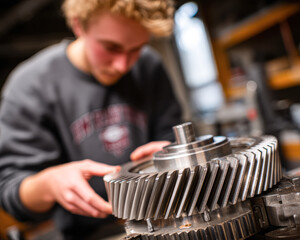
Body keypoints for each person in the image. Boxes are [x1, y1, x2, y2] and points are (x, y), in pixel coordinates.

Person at [0, 0, 182, 239]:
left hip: (163, 223)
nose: (122, 65)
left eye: (136, 48)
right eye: (111, 47)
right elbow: (10, 191)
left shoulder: (150, 66)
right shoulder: (31, 86)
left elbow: (169, 139)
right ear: (78, 25)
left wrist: (170, 155)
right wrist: (49, 183)